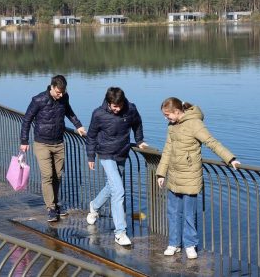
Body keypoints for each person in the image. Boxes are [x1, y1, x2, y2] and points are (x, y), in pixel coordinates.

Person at [155, 97, 241, 259]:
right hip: (173, 176)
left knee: (188, 214)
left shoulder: (195, 124)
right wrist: (161, 173)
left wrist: (230, 158)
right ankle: (174, 243)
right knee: (173, 212)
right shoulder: (171, 127)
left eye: (167, 115)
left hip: (190, 176)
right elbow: (167, 150)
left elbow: (211, 142)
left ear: (177, 111)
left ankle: (190, 245)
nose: (166, 118)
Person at [85, 87, 148, 246]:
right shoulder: (98, 114)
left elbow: (137, 123)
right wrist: (91, 156)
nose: (117, 109)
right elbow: (91, 135)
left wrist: (139, 140)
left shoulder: (130, 109)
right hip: (106, 154)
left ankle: (94, 206)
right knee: (119, 190)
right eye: (114, 106)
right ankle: (120, 233)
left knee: (111, 186)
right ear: (108, 103)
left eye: (119, 106)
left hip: (122, 152)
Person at [20, 75, 86, 222]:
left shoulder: (64, 97)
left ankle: (56, 205)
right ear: (51, 87)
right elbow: (27, 120)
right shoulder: (38, 100)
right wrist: (24, 141)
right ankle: (50, 208)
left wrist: (78, 125)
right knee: (47, 175)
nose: (60, 95)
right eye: (58, 92)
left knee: (58, 176)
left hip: (59, 143)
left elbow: (69, 111)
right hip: (42, 143)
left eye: (62, 92)